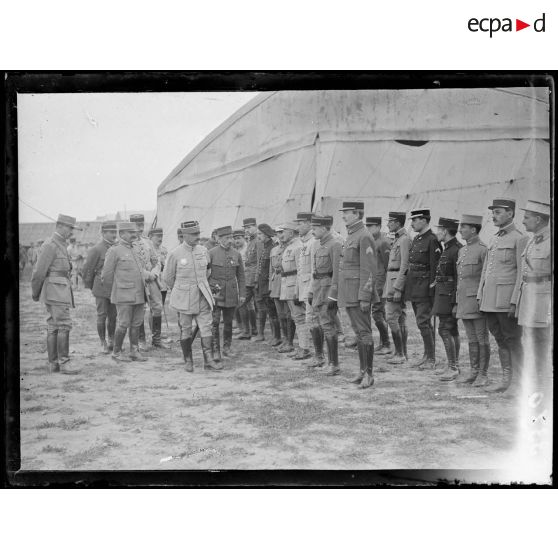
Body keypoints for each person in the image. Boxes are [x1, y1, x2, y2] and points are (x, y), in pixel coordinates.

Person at [478, 198, 528, 393]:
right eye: (493, 212)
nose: (494, 215)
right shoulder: (494, 237)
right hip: (490, 300)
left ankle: (519, 383)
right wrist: (481, 294)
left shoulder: (519, 238)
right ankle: (506, 379)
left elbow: (521, 273)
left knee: (513, 339)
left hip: (506, 300)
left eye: (498, 212)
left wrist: (515, 301)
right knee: (499, 338)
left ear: (510, 213)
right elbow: (486, 270)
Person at [163, 220, 222, 372]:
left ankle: (208, 360)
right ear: (184, 235)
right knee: (186, 328)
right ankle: (188, 360)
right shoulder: (175, 254)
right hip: (184, 297)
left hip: (203, 294)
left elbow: (208, 271)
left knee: (206, 326)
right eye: (194, 234)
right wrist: (181, 289)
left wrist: (201, 284)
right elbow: (168, 278)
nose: (197, 236)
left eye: (198, 233)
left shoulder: (203, 251)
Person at [330, 201, 377, 389]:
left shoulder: (364, 236)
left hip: (358, 293)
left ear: (357, 214)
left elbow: (369, 270)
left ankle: (369, 374)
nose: (343, 216)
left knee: (364, 333)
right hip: (349, 292)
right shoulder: (352, 235)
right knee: (358, 333)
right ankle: (362, 371)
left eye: (347, 213)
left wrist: (365, 296)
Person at [31, 214, 82, 374]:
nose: (71, 232)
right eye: (69, 228)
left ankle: (54, 364)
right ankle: (64, 363)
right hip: (55, 291)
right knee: (64, 324)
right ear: (59, 226)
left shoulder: (60, 243)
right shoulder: (50, 244)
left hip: (59, 289)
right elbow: (39, 272)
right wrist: (36, 292)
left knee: (53, 326)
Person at [516, 200, 551, 407]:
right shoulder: (531, 240)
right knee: (532, 341)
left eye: (527, 217)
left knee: (543, 342)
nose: (523, 221)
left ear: (538, 219)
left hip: (544, 298)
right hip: (529, 296)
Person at [101, 222, 148, 362]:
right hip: (124, 295)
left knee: (136, 323)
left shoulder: (136, 249)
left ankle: (134, 351)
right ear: (121, 234)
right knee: (123, 324)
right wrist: (117, 291)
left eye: (134, 232)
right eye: (130, 232)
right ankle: (116, 352)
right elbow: (106, 276)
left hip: (139, 294)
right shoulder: (114, 251)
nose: (134, 234)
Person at [454, 214, 490, 386]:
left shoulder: (483, 250)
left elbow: (486, 278)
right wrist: (456, 301)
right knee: (471, 338)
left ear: (474, 229)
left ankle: (483, 374)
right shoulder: (462, 250)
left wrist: (483, 300)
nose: (460, 229)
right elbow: (460, 280)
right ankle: (474, 371)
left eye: (464, 227)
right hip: (464, 301)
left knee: (482, 338)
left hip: (477, 301)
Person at [307, 215, 343, 375]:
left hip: (327, 290)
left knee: (328, 325)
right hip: (317, 289)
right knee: (319, 323)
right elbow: (316, 271)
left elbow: (337, 272)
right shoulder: (319, 244)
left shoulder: (335, 244)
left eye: (315, 228)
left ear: (324, 228)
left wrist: (333, 295)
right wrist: (310, 291)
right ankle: (321, 357)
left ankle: (334, 364)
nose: (312, 231)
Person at [407, 208, 442, 370]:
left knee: (423, 322)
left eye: (414, 220)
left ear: (424, 220)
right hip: (415, 286)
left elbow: (435, 268)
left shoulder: (432, 240)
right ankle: (427, 355)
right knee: (421, 322)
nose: (412, 223)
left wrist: (432, 290)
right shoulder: (417, 239)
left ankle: (431, 357)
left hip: (425, 287)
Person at [129, 214, 168, 350]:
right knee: (139, 309)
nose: (139, 228)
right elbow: (131, 264)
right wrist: (146, 274)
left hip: (152, 280)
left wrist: (155, 273)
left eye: (141, 225)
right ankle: (141, 341)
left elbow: (156, 260)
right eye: (136, 225)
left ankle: (156, 339)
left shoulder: (148, 242)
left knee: (157, 308)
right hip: (137, 281)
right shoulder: (128, 244)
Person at [208, 226, 246, 360]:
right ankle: (216, 350)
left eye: (231, 237)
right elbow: (205, 274)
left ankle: (227, 348)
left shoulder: (236, 254)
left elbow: (241, 276)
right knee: (215, 322)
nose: (230, 240)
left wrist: (242, 294)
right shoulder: (211, 253)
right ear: (219, 239)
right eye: (227, 238)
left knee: (229, 322)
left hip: (231, 293)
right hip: (216, 293)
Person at [432, 217, 463, 381]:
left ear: (445, 231)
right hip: (444, 293)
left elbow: (459, 278)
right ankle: (453, 364)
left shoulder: (456, 249)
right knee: (452, 330)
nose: (437, 233)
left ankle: (453, 367)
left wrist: (456, 301)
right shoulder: (448, 248)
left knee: (445, 329)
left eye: (439, 230)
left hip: (449, 296)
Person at [82, 220, 118, 353]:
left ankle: (112, 340)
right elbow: (87, 269)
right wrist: (92, 286)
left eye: (115, 232)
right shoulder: (96, 249)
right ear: (103, 233)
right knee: (102, 315)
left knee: (113, 316)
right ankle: (103, 342)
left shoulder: (117, 247)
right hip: (101, 287)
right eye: (111, 232)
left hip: (114, 287)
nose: (114, 234)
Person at [279, 222, 310, 359]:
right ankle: (302, 347)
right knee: (296, 317)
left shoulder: (298, 247)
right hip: (288, 285)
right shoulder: (290, 246)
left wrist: (299, 290)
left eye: (283, 231)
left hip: (295, 287)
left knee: (300, 317)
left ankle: (304, 348)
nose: (281, 235)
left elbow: (300, 270)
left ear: (291, 232)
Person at [293, 212, 320, 365]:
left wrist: (310, 290)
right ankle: (306, 348)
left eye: (301, 223)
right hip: (303, 286)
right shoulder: (304, 242)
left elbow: (313, 270)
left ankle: (316, 353)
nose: (298, 227)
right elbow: (300, 268)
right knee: (305, 319)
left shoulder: (313, 242)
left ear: (310, 224)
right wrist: (298, 289)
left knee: (313, 319)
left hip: (311, 287)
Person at [384, 212, 410, 365]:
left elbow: (405, 265)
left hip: (395, 282)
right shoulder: (399, 239)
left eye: (391, 222)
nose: (388, 225)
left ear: (398, 223)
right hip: (392, 279)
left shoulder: (404, 240)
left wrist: (398, 287)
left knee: (391, 317)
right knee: (399, 318)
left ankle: (400, 353)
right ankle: (401, 352)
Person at [365, 217, 392, 355]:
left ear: (378, 226)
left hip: (381, 282)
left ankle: (386, 344)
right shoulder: (371, 241)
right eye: (367, 226)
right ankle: (383, 343)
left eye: (371, 226)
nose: (368, 228)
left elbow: (388, 266)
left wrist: (385, 285)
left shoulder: (383, 242)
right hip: (373, 282)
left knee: (377, 313)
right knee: (379, 313)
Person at [254, 223, 280, 344]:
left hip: (269, 285)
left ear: (266, 235)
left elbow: (271, 270)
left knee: (273, 312)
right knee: (270, 311)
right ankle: (276, 336)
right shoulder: (265, 247)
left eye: (260, 234)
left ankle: (277, 337)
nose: (258, 236)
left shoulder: (272, 248)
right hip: (262, 284)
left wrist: (270, 285)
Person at [270, 226, 292, 350]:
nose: (280, 235)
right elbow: (270, 270)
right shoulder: (274, 250)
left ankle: (290, 341)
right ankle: (284, 339)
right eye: (278, 233)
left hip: (287, 281)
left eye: (282, 232)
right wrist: (270, 285)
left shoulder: (291, 248)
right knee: (280, 314)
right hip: (276, 283)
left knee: (289, 314)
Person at [237, 218, 259, 339]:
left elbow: (259, 261)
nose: (247, 230)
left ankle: (257, 331)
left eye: (249, 227)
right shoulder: (250, 241)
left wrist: (257, 278)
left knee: (260, 306)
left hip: (255, 278)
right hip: (248, 278)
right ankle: (248, 331)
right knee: (243, 303)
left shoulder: (258, 241)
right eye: (245, 228)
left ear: (256, 226)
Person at [149, 227, 169, 307]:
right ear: (151, 237)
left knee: (161, 307)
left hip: (163, 283)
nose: (160, 238)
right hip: (152, 282)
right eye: (157, 236)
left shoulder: (164, 250)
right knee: (153, 307)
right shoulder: (147, 249)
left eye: (161, 236)